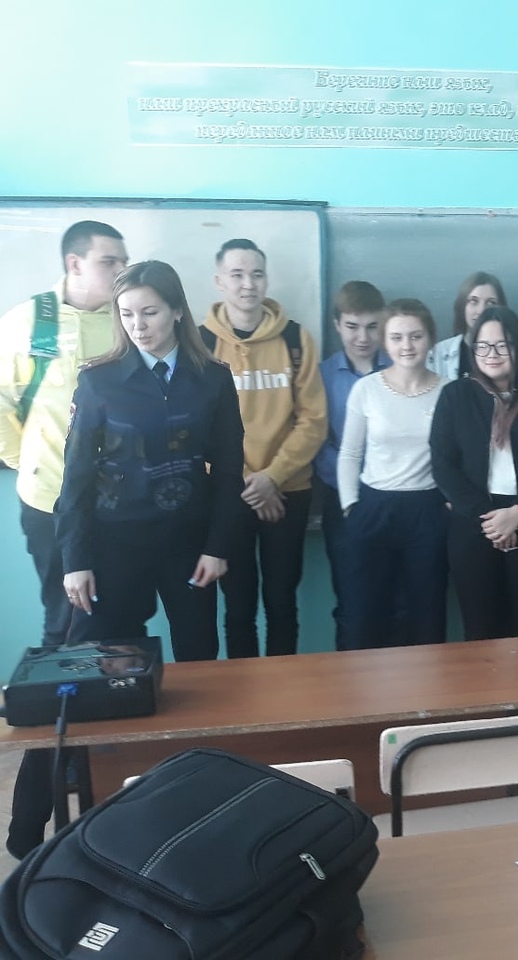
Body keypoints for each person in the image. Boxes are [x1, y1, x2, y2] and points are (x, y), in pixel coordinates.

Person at [0, 220, 128, 860]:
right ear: (75, 264)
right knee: (65, 648)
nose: (121, 273)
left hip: (115, 512)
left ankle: (96, 788)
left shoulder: (127, 320)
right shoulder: (31, 321)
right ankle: (33, 821)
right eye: (110, 262)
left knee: (110, 646)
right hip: (52, 507)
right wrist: (28, 462)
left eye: (125, 261)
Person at [58, 260, 244, 655]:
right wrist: (75, 560)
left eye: (149, 312)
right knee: (105, 660)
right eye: (126, 314)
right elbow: (76, 476)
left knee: (199, 656)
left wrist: (217, 547)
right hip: (115, 542)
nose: (137, 326)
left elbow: (229, 470)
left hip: (188, 543)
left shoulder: (212, 378)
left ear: (177, 311)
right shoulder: (98, 381)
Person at [200, 238, 327, 658]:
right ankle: (244, 692)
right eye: (236, 275)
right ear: (219, 281)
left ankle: (283, 692)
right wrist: (245, 486)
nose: (248, 284)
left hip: (287, 490)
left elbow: (313, 420)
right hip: (227, 495)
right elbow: (195, 429)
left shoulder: (295, 339)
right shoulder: (201, 344)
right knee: (237, 608)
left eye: (256, 274)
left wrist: (271, 478)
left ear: (266, 280)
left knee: (281, 602)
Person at [430, 306, 518, 640]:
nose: (491, 354)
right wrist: (492, 522)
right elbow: (443, 466)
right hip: (474, 524)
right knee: (480, 631)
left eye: (502, 345)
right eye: (483, 346)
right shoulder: (455, 396)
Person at [338, 300, 448, 648]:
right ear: (385, 342)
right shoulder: (367, 389)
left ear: (430, 339)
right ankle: (364, 683)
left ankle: (426, 683)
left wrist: (449, 504)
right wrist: (350, 506)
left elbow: (459, 458)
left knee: (426, 611)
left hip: (427, 509)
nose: (407, 345)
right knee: (364, 611)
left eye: (416, 336)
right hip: (373, 507)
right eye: (397, 337)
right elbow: (350, 453)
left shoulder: (449, 391)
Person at [315, 281, 388, 649]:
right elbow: (317, 442)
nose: (363, 337)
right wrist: (352, 486)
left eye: (372, 327)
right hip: (342, 501)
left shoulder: (400, 367)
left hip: (392, 497)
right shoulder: (321, 376)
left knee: (397, 599)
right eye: (352, 326)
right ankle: (352, 679)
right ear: (336, 325)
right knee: (352, 601)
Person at [426, 271, 505, 380]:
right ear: (462, 306)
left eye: (491, 303)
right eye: (473, 301)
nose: (481, 311)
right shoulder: (437, 354)